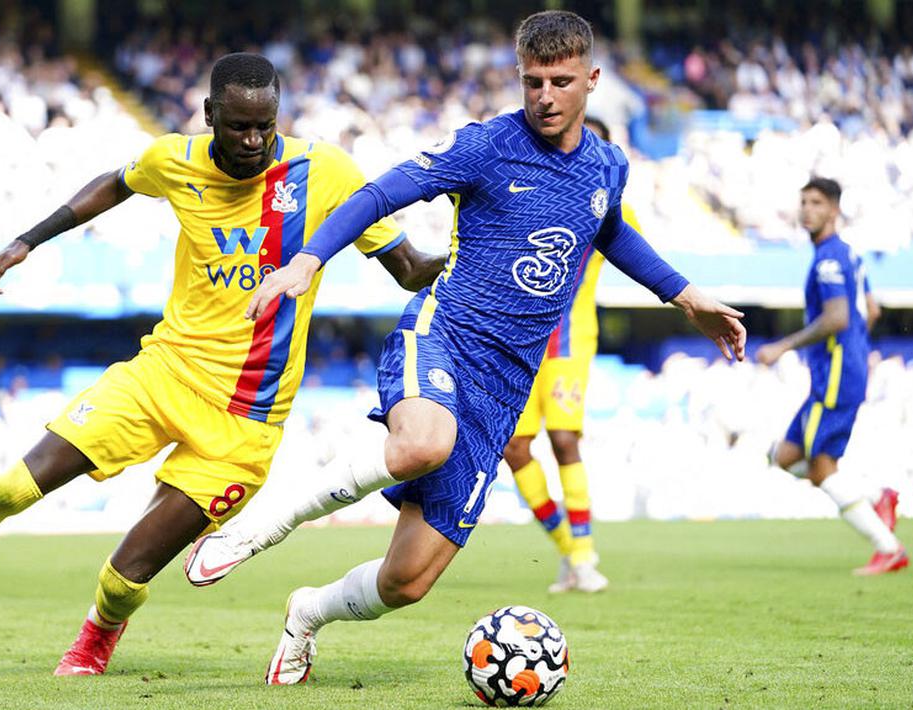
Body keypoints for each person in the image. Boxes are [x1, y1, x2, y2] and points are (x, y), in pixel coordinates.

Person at [0, 54, 444, 676]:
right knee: (16, 485)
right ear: (209, 115)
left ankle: (97, 635)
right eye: (238, 126)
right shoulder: (175, 160)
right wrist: (26, 241)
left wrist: (477, 249)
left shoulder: (324, 173)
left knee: (126, 572)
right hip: (160, 375)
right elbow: (115, 184)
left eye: (265, 126)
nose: (253, 141)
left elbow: (409, 267)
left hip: (245, 425)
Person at [184, 11, 746, 685]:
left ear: (592, 80)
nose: (545, 96)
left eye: (561, 82)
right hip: (444, 335)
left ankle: (306, 612)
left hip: (505, 389)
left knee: (405, 582)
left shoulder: (607, 167)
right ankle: (258, 529)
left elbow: (610, 231)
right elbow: (381, 192)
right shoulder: (486, 146)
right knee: (422, 443)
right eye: (533, 82)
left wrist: (686, 295)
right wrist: (308, 259)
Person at [501, 116, 630, 595]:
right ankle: (569, 552)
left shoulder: (609, 206)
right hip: (520, 343)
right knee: (514, 449)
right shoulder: (531, 194)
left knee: (563, 439)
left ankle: (584, 554)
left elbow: (635, 251)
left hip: (569, 343)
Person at [756, 177, 906, 576]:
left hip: (836, 376)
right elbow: (871, 310)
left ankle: (888, 548)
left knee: (821, 468)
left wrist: (783, 346)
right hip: (840, 371)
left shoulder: (827, 261)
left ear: (835, 210)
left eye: (817, 203)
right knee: (784, 457)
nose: (808, 210)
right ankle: (877, 496)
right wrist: (855, 349)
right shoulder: (848, 255)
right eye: (804, 202)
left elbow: (838, 318)